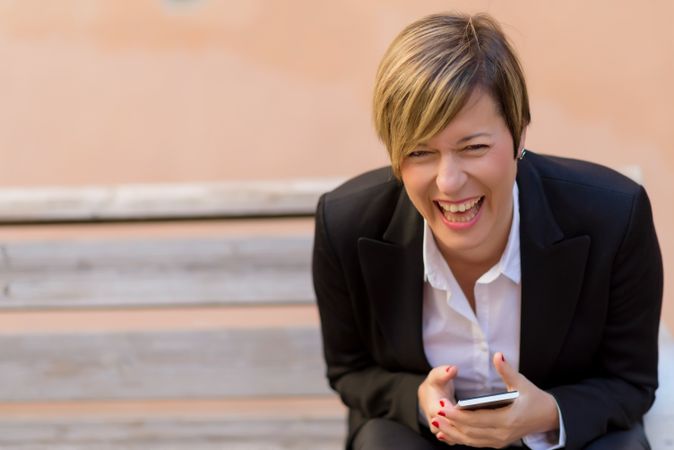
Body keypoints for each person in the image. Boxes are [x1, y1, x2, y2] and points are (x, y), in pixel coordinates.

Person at [312, 12, 662, 450]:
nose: (448, 181)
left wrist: (549, 413)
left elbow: (631, 383)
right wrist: (418, 400)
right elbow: (350, 370)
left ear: (518, 136)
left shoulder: (614, 215)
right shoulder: (345, 223)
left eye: (473, 147)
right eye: (420, 152)